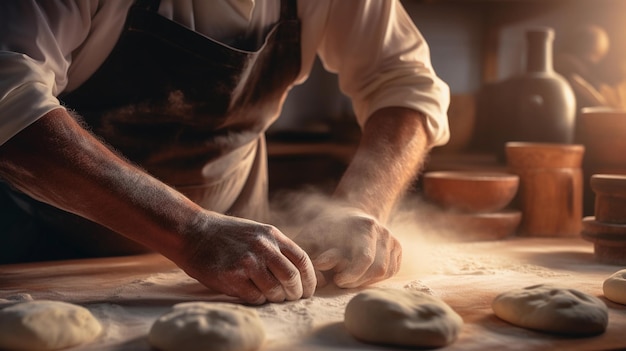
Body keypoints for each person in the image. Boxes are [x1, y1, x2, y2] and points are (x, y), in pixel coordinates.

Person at [0, 0, 450, 304]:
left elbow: (404, 81)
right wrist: (190, 230)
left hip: (247, 265)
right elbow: (10, 98)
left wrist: (359, 205)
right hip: (52, 249)